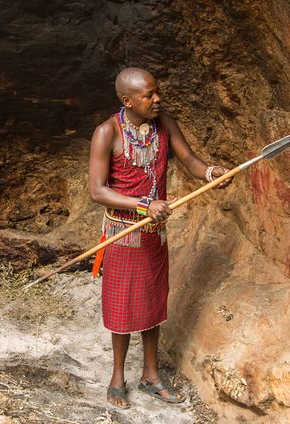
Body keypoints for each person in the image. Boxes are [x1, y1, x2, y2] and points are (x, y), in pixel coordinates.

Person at [89, 67, 232, 409]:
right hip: (123, 233)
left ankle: (151, 375)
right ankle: (118, 377)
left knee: (153, 302)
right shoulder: (107, 132)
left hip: (155, 233)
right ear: (128, 101)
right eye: (149, 95)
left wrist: (211, 172)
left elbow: (189, 160)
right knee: (122, 305)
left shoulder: (163, 124)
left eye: (157, 93)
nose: (157, 100)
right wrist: (142, 204)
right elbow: (97, 191)